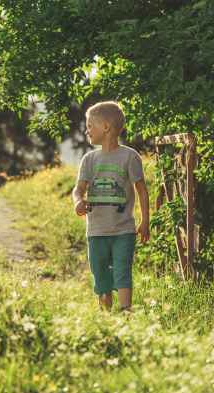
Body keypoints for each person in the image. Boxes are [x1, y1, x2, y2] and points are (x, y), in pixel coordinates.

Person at [72, 101, 150, 311]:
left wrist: (145, 221)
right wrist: (78, 201)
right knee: (100, 273)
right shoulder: (89, 160)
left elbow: (142, 190)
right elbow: (78, 189)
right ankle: (106, 315)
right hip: (96, 230)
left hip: (124, 229)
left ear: (105, 127)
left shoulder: (130, 156)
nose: (87, 130)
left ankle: (126, 311)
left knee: (122, 270)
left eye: (90, 126)